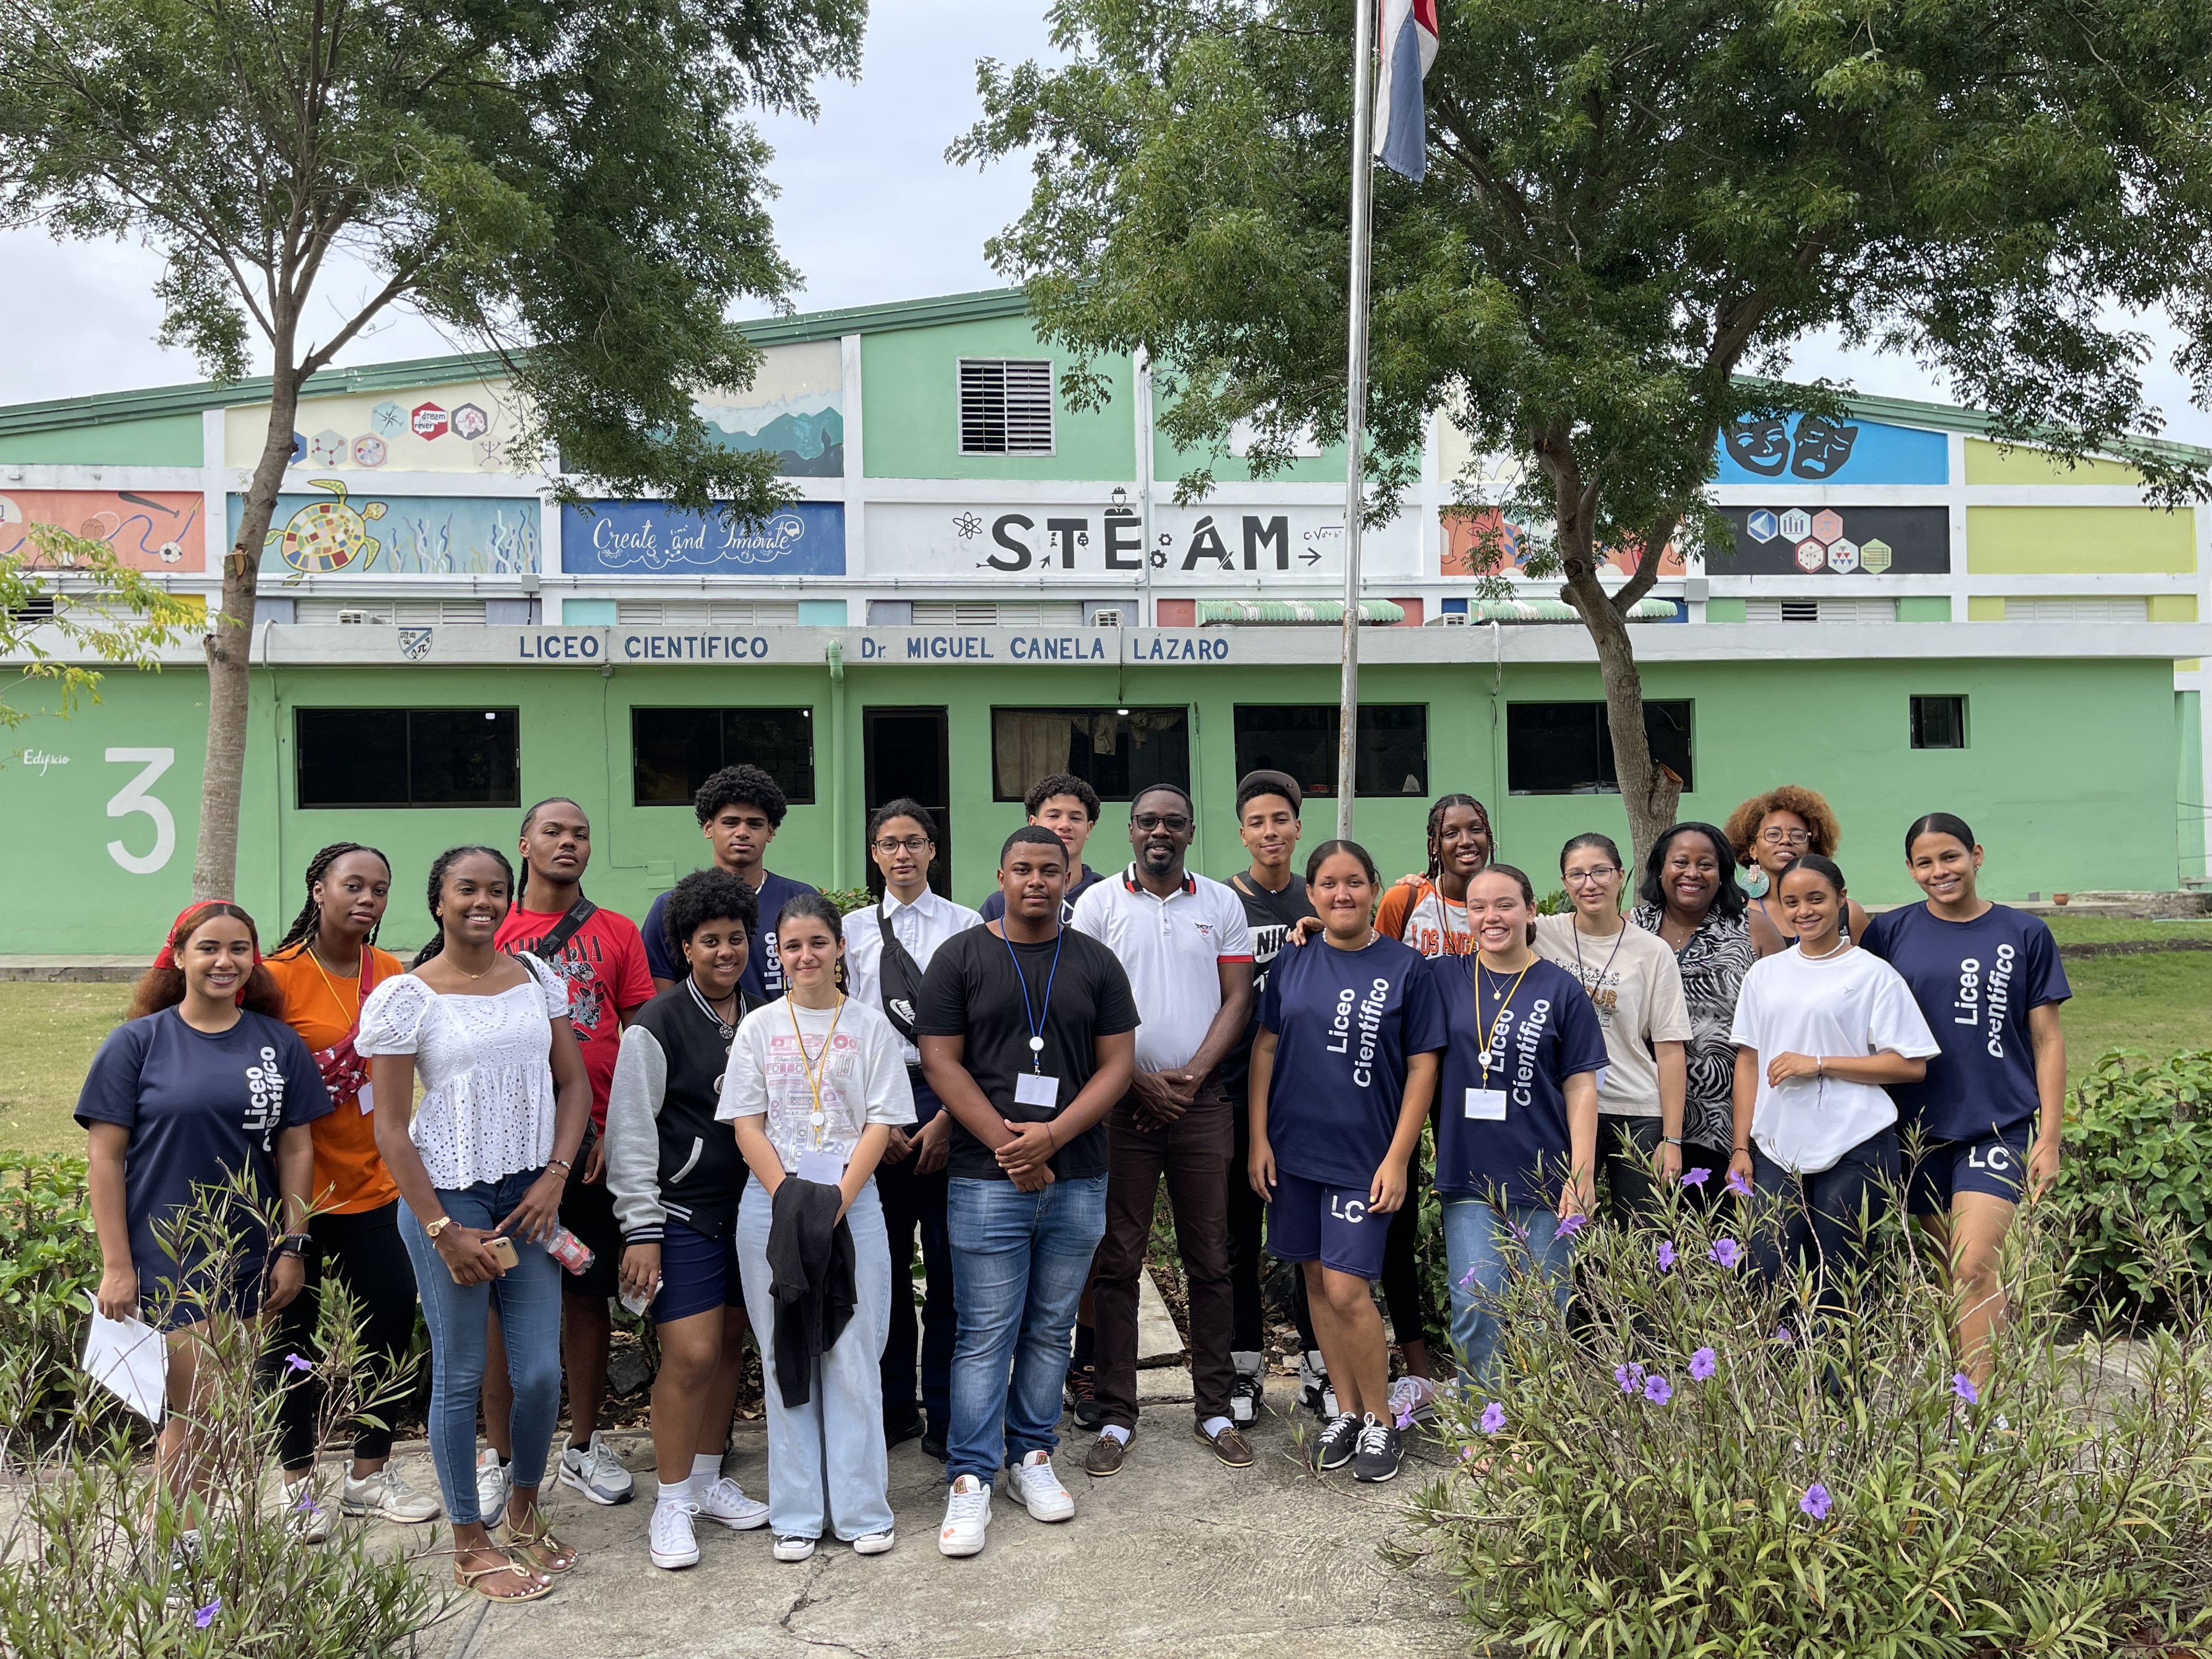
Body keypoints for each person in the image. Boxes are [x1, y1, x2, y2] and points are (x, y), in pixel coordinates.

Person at [362, 846, 592, 1604]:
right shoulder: (406, 998)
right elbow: (391, 1128)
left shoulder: (536, 978)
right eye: (467, 889)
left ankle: (523, 1512)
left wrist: (555, 1176)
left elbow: (573, 1086)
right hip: (450, 1201)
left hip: (530, 1200)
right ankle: (469, 1542)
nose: (483, 902)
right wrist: (440, 1229)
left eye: (496, 889)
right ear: (439, 901)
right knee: (461, 1376)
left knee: (540, 1373)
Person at [80, 901, 330, 1568]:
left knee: (216, 1414)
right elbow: (104, 1159)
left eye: (240, 948)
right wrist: (117, 1264)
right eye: (209, 948)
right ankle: (175, 1555)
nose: (225, 961)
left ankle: (183, 1546)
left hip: (250, 1254)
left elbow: (297, 1149)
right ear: (179, 957)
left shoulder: (278, 1044)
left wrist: (292, 1244)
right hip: (169, 1254)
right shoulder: (137, 1044)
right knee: (200, 1413)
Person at [916, 826, 1139, 1559]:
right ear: (1001, 876)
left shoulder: (1096, 962)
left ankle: (1032, 1456)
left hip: (1077, 1176)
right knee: (985, 1332)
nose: (1037, 880)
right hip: (987, 1180)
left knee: (1050, 1328)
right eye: (1023, 869)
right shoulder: (961, 957)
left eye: (1050, 869)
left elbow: (1117, 1066)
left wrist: (1053, 1138)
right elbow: (940, 1063)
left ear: (1069, 877)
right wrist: (1011, 1147)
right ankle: (971, 1475)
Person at [1246, 840, 1445, 1482]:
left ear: (1374, 889)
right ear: (1311, 895)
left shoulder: (1407, 967)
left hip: (1365, 1157)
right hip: (1294, 1152)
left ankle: (1384, 1421)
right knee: (1313, 1282)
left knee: (1346, 1287)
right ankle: (1349, 1411)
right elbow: (1266, 1049)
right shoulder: (1294, 960)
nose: (1342, 894)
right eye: (1328, 883)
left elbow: (1423, 1066)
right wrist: (1258, 1139)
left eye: (1354, 881)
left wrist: (1399, 1157)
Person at [1071, 783, 1256, 1474]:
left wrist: (1191, 1078)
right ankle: (1118, 1415)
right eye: (1148, 821)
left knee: (1210, 1258)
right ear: (1129, 830)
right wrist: (1135, 1080)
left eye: (1173, 822)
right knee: (1117, 1260)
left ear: (1190, 832)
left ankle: (1214, 1408)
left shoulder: (1221, 903)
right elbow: (1083, 1005)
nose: (1160, 831)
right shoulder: (1097, 904)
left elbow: (1238, 998)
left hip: (1201, 1106)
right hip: (1121, 1107)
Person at [721, 893, 909, 1562]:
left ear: (840, 948)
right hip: (772, 1204)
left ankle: (861, 1511)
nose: (806, 956)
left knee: (854, 1354)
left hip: (853, 1204)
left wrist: (833, 1201)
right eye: (793, 946)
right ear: (779, 954)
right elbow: (747, 1123)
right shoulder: (759, 1027)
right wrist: (791, 1199)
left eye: (818, 943)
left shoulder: (870, 1026)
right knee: (786, 1353)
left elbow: (881, 1122)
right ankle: (797, 1514)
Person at [486, 798, 656, 1514]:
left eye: (580, 834)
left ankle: (584, 1445)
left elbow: (641, 1038)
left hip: (591, 1151)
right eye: (552, 831)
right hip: (508, 1152)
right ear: (524, 843)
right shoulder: (489, 930)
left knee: (587, 1298)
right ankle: (500, 1457)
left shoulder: (617, 932)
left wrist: (618, 1129)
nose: (568, 843)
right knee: (499, 1302)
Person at [263, 844, 439, 1531]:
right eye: (354, 885)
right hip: (296, 1197)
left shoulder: (392, 973)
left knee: (390, 1328)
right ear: (318, 888)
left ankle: (369, 1474)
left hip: (374, 1187)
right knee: (292, 1342)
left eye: (380, 889)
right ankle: (297, 1483)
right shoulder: (274, 977)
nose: (368, 899)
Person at [1861, 814, 2068, 1389]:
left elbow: (2048, 1042)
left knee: (1973, 1264)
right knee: (1944, 1271)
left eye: (1950, 857)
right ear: (1910, 870)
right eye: (1925, 862)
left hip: (1996, 1125)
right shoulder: (1889, 933)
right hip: (1915, 1130)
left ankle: (1981, 1409)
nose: (1940, 871)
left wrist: (2049, 1137)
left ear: (1976, 855)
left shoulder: (2025, 933)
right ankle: (1955, 1395)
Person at [604, 868, 772, 1571]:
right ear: (684, 947)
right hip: (682, 1214)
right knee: (693, 1353)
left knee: (730, 1344)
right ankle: (671, 1501)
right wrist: (641, 1229)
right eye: (710, 941)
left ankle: (705, 1481)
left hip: (752, 1210)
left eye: (736, 938)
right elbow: (631, 1132)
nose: (725, 952)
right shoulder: (658, 1024)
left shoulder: (765, 1015)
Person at [1728, 855, 1938, 1318]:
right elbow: (1748, 1062)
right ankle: (1776, 1368)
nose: (1804, 911)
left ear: (1842, 899)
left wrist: (1820, 1065)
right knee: (1766, 1275)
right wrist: (1741, 1147)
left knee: (1841, 1284)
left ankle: (1839, 1370)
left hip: (1855, 1144)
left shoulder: (1873, 975)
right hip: (1777, 1148)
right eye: (1791, 902)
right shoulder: (1765, 974)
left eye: (1816, 899)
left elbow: (1911, 1065)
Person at [843, 798, 982, 1461]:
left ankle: (948, 1415)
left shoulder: (966, 925)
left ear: (933, 851)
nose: (902, 854)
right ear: (875, 854)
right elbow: (839, 1030)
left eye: (914, 842)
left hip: (951, 1093)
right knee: (884, 1266)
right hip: (877, 1098)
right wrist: (877, 1121)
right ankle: (892, 1404)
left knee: (952, 1268)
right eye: (890, 844)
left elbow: (983, 1028)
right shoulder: (849, 932)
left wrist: (952, 1117)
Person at [1431, 865, 1608, 1385]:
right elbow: (1369, 957)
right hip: (1469, 1173)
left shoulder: (1562, 989)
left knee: (1543, 1313)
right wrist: (1315, 928)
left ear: (1531, 911)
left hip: (1545, 1177)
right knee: (1475, 1302)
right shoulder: (1442, 978)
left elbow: (1581, 1087)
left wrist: (1582, 1175)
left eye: (1505, 905)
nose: (1492, 917)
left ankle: (1538, 1423)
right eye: (1478, 907)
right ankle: (1480, 1420)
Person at [1218, 771, 1333, 1427]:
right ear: (1243, 833)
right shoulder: (1221, 903)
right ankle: (1244, 1368)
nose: (1270, 832)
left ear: (1297, 828)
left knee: (1309, 1242)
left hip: (1308, 1098)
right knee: (1237, 1239)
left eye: (1280, 820)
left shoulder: (1316, 899)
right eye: (1257, 822)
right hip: (1236, 1094)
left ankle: (1320, 1368)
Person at [1534, 833, 1693, 1224]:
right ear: (1564, 882)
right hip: (1563, 1109)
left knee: (1643, 1235)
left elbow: (1670, 1050)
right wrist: (1420, 888)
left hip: (1635, 1110)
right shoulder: (1541, 935)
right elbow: (1487, 917)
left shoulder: (1652, 951)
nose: (1589, 884)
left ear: (1621, 876)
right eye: (1577, 874)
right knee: (1562, 1230)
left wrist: (1672, 1139)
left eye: (1601, 872)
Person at [1629, 823, 1756, 1185]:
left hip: (1728, 1118)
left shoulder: (1753, 931)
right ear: (1660, 868)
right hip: (1643, 1112)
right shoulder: (1630, 929)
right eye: (1681, 862)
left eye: (1706, 864)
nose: (1693, 873)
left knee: (1720, 1220)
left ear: (1723, 873)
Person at [645, 764, 821, 1001]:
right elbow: (660, 1002)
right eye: (730, 822)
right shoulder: (671, 907)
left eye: (755, 824)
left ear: (770, 832)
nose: (742, 832)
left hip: (789, 1026)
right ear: (709, 828)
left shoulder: (801, 901)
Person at [1724, 785, 1872, 956]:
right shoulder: (1734, 910)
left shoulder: (1848, 912)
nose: (1786, 841)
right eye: (1773, 834)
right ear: (1753, 850)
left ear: (1811, 849)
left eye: (1797, 835)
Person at [977, 772, 1107, 925]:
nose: (1065, 825)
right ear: (1034, 823)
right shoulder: (999, 904)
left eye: (1075, 818)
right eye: (1054, 816)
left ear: (1088, 829)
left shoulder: (1106, 898)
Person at [1375, 793, 1494, 956]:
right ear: (1435, 845)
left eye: (1476, 830)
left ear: (1489, 837)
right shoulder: (1402, 900)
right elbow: (1381, 964)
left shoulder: (1506, 907)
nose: (1466, 841)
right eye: (1451, 833)